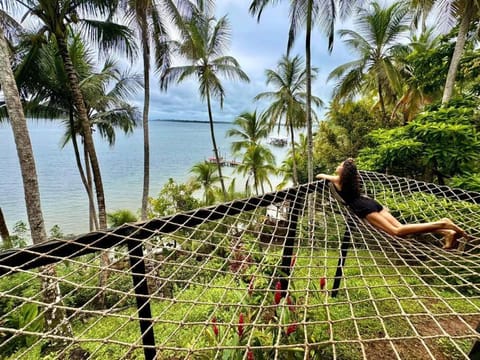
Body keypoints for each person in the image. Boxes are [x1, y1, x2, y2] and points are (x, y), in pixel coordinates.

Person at [316, 158, 467, 249]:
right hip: (372, 203)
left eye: (340, 165)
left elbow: (320, 175)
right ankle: (447, 233)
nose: (338, 166)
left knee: (398, 232)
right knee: (404, 230)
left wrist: (328, 176)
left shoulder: (338, 179)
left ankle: (443, 224)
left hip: (364, 207)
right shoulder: (353, 180)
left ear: (343, 171)